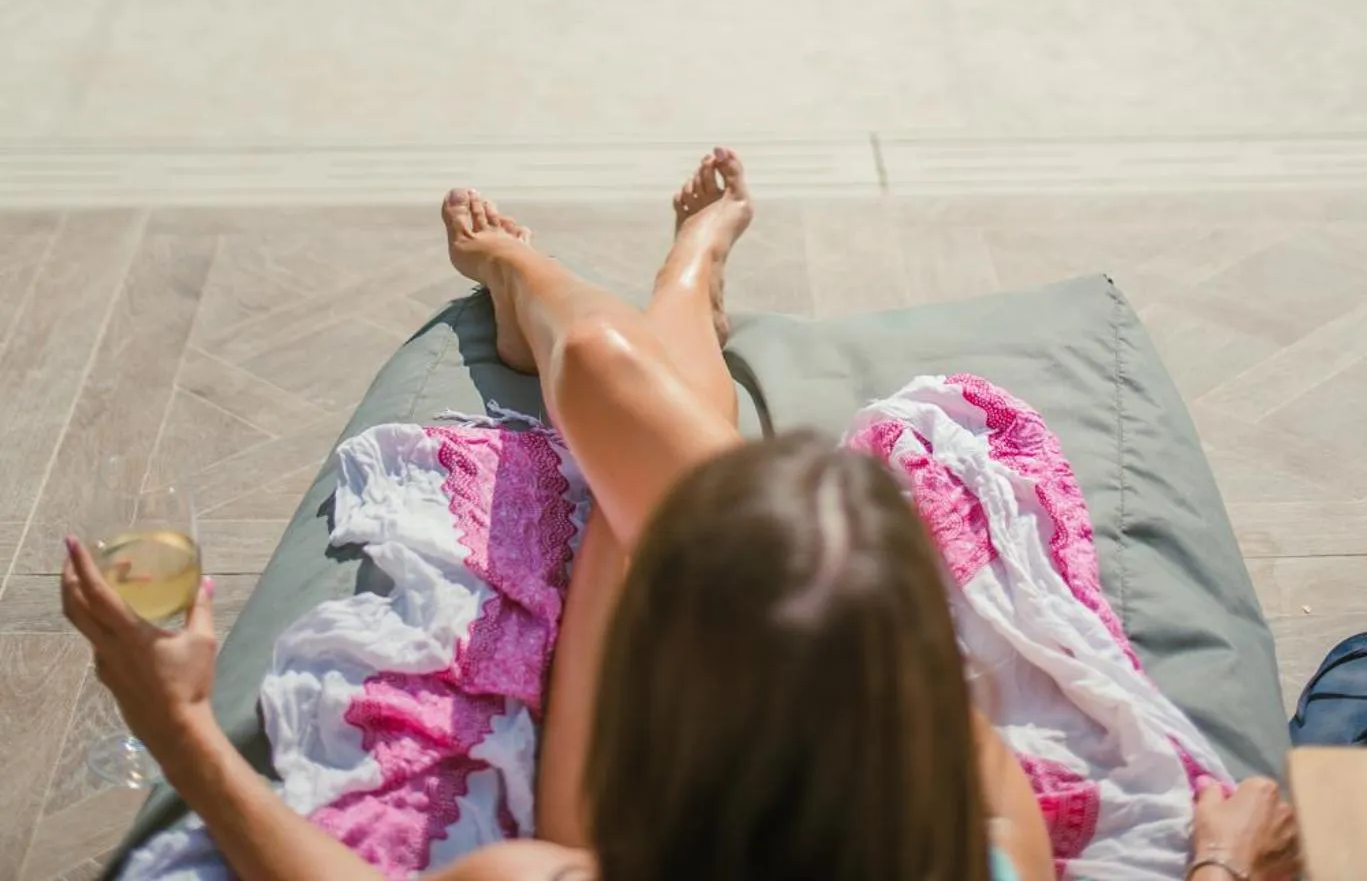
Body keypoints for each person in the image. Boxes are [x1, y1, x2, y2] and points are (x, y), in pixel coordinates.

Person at [63, 150, 1298, 881]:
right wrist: (1220, 861)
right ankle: (670, 289)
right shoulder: (987, 847)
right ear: (919, 699)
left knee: (627, 483)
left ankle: (567, 292)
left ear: (666, 712)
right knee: (675, 480)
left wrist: (175, 724)